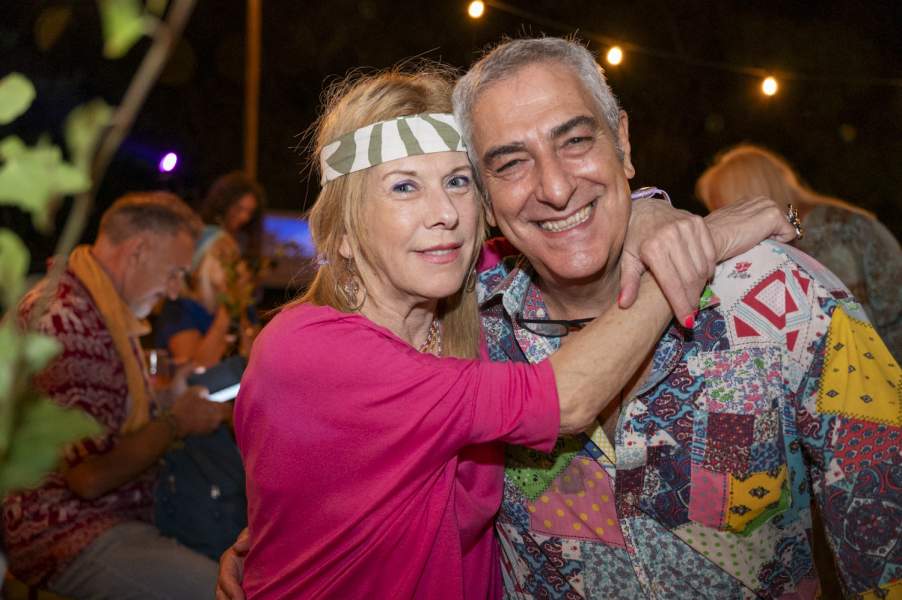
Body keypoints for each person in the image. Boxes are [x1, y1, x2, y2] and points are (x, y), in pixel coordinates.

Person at [222, 62, 794, 599]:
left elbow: (568, 220)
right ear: (343, 234)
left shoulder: (475, 293)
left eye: (457, 181)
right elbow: (566, 398)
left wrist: (650, 211)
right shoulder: (308, 349)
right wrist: (692, 254)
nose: (445, 213)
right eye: (403, 187)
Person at [448, 37, 900, 599]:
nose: (556, 188)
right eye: (512, 163)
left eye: (576, 141)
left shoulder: (780, 294)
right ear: (484, 198)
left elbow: (886, 534)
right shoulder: (463, 336)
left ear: (622, 142)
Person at [4, 192, 229, 598]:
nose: (174, 291)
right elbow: (89, 477)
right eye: (175, 272)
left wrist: (167, 400)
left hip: (113, 516)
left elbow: (107, 419)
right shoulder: (65, 319)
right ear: (138, 251)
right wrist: (176, 421)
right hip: (67, 535)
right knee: (227, 591)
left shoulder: (98, 308)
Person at [696, 143, 902, 359]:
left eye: (722, 207)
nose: (724, 220)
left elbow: (851, 332)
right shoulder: (836, 222)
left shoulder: (834, 233)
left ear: (745, 199)